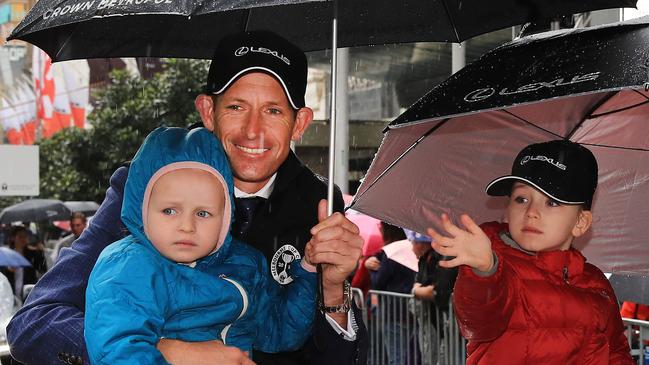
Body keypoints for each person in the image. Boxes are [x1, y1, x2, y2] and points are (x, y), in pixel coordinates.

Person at [7, 30, 366, 365]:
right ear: (208, 111)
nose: (253, 131)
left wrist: (333, 291)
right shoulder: (145, 190)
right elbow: (36, 323)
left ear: (299, 122)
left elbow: (330, 352)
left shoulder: (321, 205)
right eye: (236, 107)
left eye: (273, 111)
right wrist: (167, 351)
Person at [85, 127, 317, 363]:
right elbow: (118, 351)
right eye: (169, 210)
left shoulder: (245, 263)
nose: (187, 226)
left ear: (226, 216)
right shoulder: (129, 267)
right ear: (142, 209)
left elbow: (280, 333)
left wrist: (307, 269)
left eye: (203, 213)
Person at [427, 140, 633, 364]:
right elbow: (478, 320)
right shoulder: (497, 266)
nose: (531, 212)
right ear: (507, 210)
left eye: (552, 202)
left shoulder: (596, 282)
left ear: (581, 222)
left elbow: (617, 352)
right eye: (521, 199)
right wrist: (484, 272)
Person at [408, 229, 457, 365]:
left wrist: (416, 290)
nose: (412, 249)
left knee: (442, 356)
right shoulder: (425, 259)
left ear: (421, 244)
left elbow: (435, 291)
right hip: (432, 320)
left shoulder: (437, 258)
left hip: (443, 321)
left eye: (413, 243)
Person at [0, 225, 46, 297]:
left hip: (28, 293)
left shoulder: (33, 254)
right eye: (20, 236)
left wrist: (41, 253)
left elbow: (42, 269)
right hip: (11, 294)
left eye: (25, 236)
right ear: (13, 238)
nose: (23, 239)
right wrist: (9, 270)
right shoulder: (7, 254)